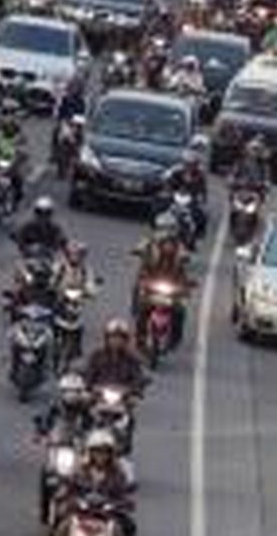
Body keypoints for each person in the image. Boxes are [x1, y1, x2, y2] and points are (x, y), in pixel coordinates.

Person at [51, 429, 137, 536]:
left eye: (104, 452)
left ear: (110, 454)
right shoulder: (80, 470)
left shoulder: (118, 473)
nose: (100, 456)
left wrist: (124, 502)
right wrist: (65, 495)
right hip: (82, 509)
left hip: (107, 511)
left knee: (128, 526)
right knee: (62, 523)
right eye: (97, 452)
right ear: (90, 453)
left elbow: (124, 492)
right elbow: (69, 486)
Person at [132, 214, 193, 344]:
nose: (166, 232)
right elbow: (139, 248)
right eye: (163, 228)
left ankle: (175, 338)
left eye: (170, 228)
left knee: (180, 310)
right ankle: (140, 335)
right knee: (143, 306)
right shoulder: (150, 244)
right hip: (151, 282)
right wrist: (137, 251)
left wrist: (186, 287)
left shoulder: (179, 248)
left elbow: (184, 265)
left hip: (171, 285)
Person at [84, 319, 148, 394]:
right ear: (107, 339)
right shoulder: (97, 356)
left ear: (125, 340)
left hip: (124, 396)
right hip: (98, 395)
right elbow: (89, 373)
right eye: (113, 337)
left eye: (120, 338)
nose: (116, 341)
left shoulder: (131, 359)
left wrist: (136, 387)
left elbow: (137, 376)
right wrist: (88, 385)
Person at [36, 372, 94, 443]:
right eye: (67, 390)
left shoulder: (85, 403)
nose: (71, 394)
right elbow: (46, 418)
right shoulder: (56, 402)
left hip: (76, 439)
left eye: (76, 390)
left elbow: (90, 420)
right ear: (62, 391)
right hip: (59, 438)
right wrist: (42, 431)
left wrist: (87, 432)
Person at [165, 149, 209, 237]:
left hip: (191, 199)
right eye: (187, 164)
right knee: (158, 205)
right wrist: (168, 191)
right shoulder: (176, 172)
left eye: (192, 164)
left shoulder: (199, 175)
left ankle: (199, 232)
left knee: (202, 215)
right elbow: (168, 183)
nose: (189, 166)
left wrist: (202, 199)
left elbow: (203, 190)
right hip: (175, 197)